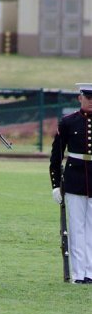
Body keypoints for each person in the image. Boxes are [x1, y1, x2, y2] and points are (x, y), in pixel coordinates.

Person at [49, 83, 92, 284]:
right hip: (75, 179)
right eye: (88, 97)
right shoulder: (68, 122)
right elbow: (56, 155)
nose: (90, 101)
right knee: (76, 228)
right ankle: (78, 273)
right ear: (80, 98)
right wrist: (56, 184)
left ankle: (90, 272)